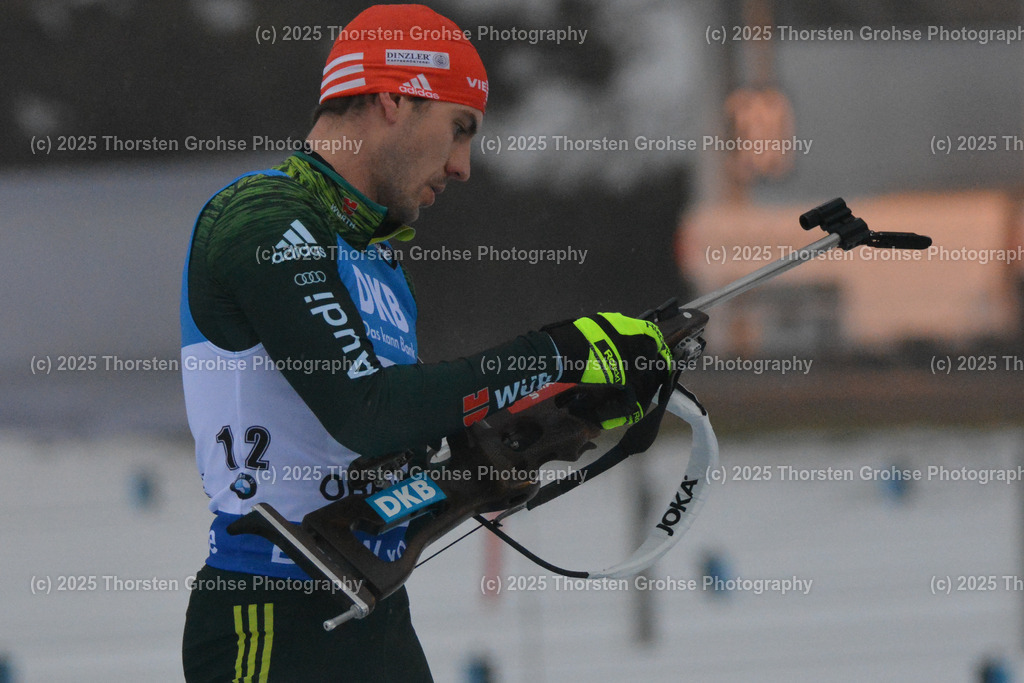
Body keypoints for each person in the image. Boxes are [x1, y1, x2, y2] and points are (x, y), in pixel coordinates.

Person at [180, 5, 673, 681]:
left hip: (375, 610)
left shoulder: (380, 263)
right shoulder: (261, 218)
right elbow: (367, 409)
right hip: (269, 612)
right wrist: (555, 353)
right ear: (393, 99)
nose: (463, 166)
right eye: (458, 128)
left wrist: (542, 421)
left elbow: (398, 446)